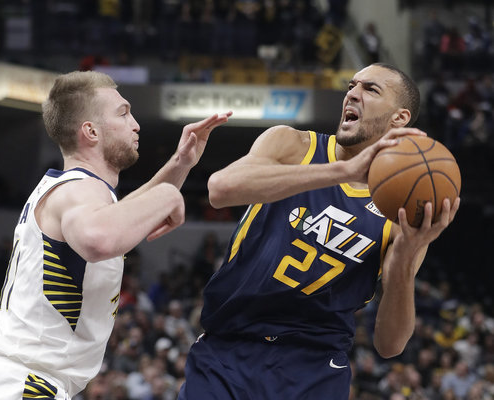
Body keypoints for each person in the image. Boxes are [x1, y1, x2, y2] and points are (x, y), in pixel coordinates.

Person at [178, 63, 460, 399]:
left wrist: (405, 256)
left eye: (371, 90)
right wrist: (341, 171)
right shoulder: (294, 145)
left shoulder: (401, 211)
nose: (353, 94)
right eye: (352, 85)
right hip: (228, 351)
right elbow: (221, 189)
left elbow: (390, 345)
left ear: (399, 119)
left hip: (315, 369)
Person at [0, 70, 232, 399]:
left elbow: (117, 216)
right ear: (91, 131)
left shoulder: (74, 189)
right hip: (24, 386)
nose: (136, 124)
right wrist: (168, 197)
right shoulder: (79, 191)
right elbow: (98, 239)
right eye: (123, 113)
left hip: (13, 382)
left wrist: (181, 163)